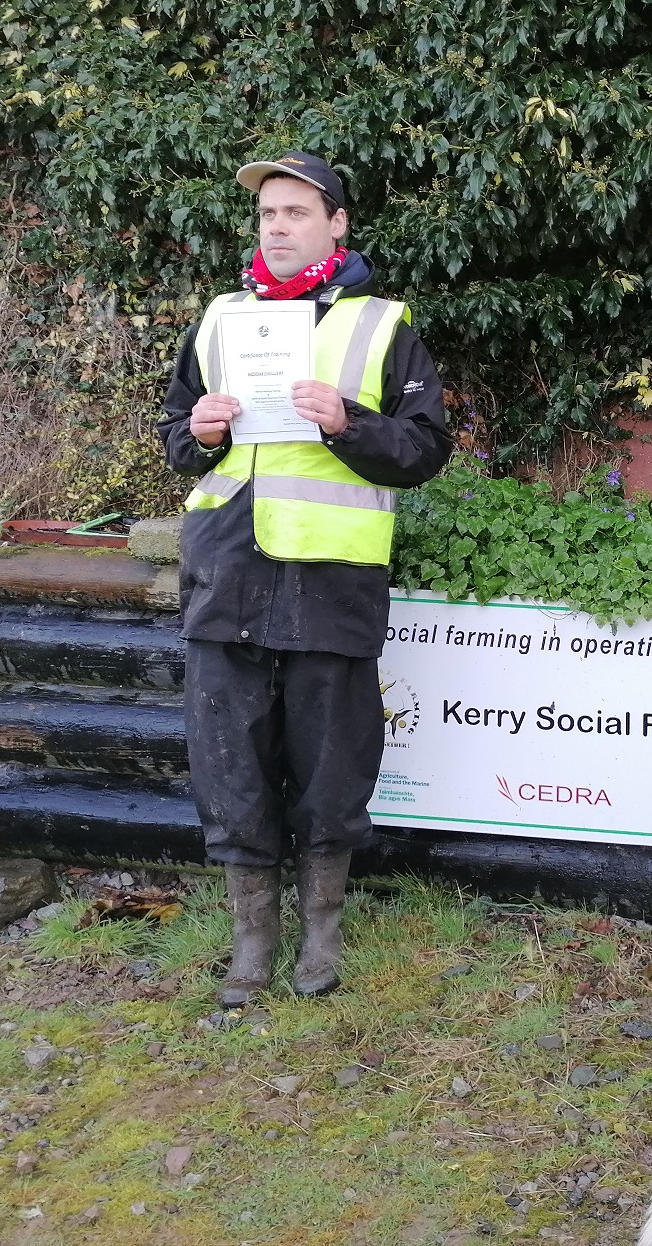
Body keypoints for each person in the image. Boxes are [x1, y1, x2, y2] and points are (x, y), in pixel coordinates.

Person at [157, 151, 451, 1007]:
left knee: (333, 761)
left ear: (337, 225)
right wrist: (200, 430)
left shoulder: (383, 324)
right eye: (267, 215)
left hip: (329, 581)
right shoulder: (218, 319)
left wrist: (349, 424)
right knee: (229, 764)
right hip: (228, 573)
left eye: (294, 212)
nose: (277, 227)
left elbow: (424, 450)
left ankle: (320, 933)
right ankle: (254, 941)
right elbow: (176, 432)